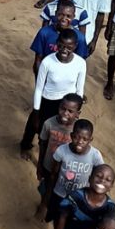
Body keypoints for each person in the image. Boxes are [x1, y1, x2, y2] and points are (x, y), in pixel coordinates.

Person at [21, 29, 86, 160]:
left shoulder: (80, 63)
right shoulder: (47, 62)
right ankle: (25, 145)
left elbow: (79, 89)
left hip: (68, 104)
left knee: (59, 130)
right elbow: (39, 88)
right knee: (36, 126)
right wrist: (36, 111)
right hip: (48, 100)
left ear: (75, 46)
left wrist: (77, 110)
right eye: (61, 45)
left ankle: (50, 153)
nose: (64, 49)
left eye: (69, 47)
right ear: (57, 43)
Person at [40, 119, 103, 223]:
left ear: (90, 139)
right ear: (71, 135)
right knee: (53, 210)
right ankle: (47, 220)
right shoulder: (62, 150)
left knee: (70, 217)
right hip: (59, 192)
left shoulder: (95, 155)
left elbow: (98, 175)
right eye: (76, 137)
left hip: (79, 197)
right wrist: (48, 194)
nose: (80, 142)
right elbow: (53, 174)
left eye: (85, 139)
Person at [36, 93, 83, 202]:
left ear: (77, 114)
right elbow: (42, 145)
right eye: (63, 108)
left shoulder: (78, 130)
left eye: (70, 111)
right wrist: (39, 165)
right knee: (46, 188)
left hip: (66, 170)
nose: (65, 113)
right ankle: (44, 205)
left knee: (61, 194)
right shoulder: (49, 124)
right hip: (48, 165)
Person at [30, 0, 89, 75]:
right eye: (61, 14)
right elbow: (38, 61)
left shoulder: (80, 38)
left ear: (73, 17)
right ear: (55, 14)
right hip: (47, 75)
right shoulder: (44, 33)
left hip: (68, 77)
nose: (64, 19)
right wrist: (39, 82)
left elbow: (80, 64)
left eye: (68, 16)